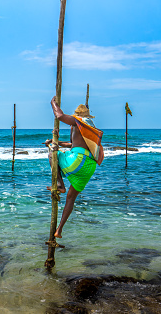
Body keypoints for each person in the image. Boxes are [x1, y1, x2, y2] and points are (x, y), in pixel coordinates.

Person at [45, 96, 104, 239]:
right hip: (89, 167)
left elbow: (59, 116)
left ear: (77, 116)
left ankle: (60, 184)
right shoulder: (91, 128)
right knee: (70, 198)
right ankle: (59, 230)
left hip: (78, 161)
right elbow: (74, 145)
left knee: (53, 154)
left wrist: (53, 103)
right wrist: (55, 141)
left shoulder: (79, 121)